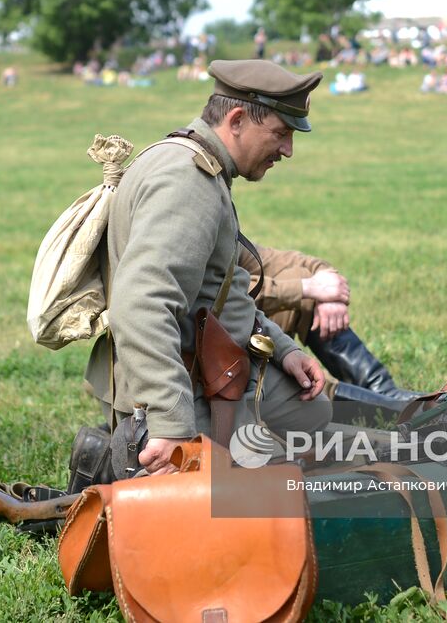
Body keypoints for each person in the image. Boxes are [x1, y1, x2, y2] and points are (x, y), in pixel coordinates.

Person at [84, 60, 331, 475]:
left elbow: (222, 288)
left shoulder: (204, 168)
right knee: (266, 498)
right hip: (183, 379)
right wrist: (170, 424)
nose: (287, 150)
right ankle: (118, 458)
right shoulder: (189, 181)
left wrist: (284, 349)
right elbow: (140, 304)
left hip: (216, 363)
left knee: (312, 413)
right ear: (236, 120)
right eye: (281, 133)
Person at [238, 244, 417, 403]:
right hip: (223, 348)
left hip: (246, 330)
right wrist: (307, 288)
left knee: (299, 275)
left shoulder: (224, 218)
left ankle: (383, 390)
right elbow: (228, 293)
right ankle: (388, 407)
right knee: (298, 289)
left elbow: (280, 260)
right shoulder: (211, 215)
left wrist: (325, 282)